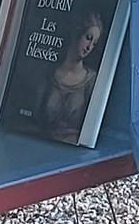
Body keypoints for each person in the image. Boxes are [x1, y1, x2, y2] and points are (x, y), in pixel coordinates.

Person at [34, 8, 106, 142]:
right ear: (76, 34)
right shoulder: (49, 74)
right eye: (88, 38)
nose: (90, 47)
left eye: (94, 43)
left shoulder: (92, 81)